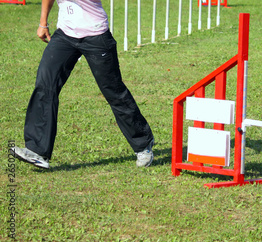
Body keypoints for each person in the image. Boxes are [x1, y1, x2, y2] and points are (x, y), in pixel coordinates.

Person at [10, 0, 155, 168]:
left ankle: (143, 144)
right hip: (65, 34)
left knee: (113, 91)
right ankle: (37, 150)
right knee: (45, 84)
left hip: (96, 34)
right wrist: (43, 23)